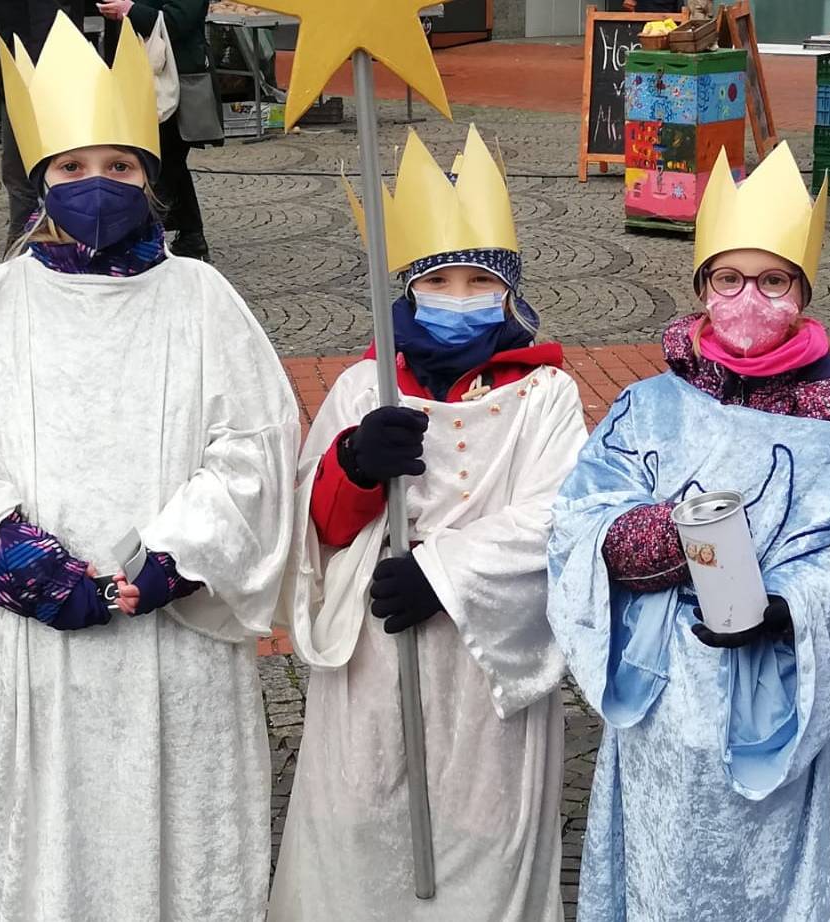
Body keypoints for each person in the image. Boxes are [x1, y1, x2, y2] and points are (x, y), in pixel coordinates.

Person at [0, 13, 296, 920]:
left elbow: (258, 448)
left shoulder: (204, 299)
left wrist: (178, 555)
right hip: (41, 655)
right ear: (40, 181)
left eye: (120, 165)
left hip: (177, 645)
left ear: (151, 177)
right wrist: (21, 564)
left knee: (191, 846)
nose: (97, 183)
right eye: (72, 167)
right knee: (53, 856)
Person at [547, 143, 830, 922]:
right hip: (665, 699)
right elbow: (578, 520)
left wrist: (789, 608)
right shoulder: (648, 407)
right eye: (729, 279)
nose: (750, 298)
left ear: (801, 293)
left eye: (773, 281)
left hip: (780, 701)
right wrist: (663, 537)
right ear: (702, 289)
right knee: (663, 875)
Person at [270, 126, 584, 922]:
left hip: (484, 667)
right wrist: (354, 464)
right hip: (377, 657)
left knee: (483, 840)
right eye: (438, 278)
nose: (457, 293)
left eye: (478, 279)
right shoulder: (363, 387)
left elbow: (560, 516)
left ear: (508, 291)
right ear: (409, 287)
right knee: (359, 830)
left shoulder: (544, 396)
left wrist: (445, 574)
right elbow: (316, 526)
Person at [100, 0, 219, 258]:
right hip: (142, 78)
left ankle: (147, 241)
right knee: (169, 163)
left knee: (162, 163)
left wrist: (131, 11)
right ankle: (191, 236)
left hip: (174, 82)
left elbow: (178, 21)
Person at [0, 0, 92, 244]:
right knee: (21, 174)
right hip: (22, 71)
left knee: (33, 172)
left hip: (39, 76)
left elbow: (48, 21)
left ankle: (34, 247)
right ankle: (24, 247)